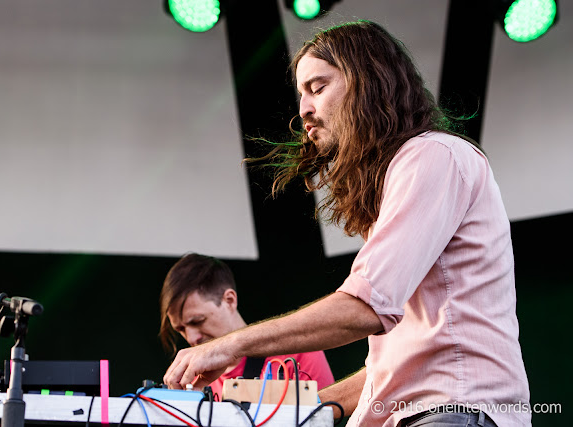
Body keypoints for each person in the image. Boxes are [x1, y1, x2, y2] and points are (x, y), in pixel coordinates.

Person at [163, 21, 530, 427]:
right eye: (301, 94)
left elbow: (364, 307)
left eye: (317, 88)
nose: (303, 109)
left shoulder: (434, 157)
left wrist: (231, 347)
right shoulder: (408, 180)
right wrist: (303, 408)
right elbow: (397, 368)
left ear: (367, 82)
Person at [159, 252, 335, 399]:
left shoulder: (298, 350)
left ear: (229, 300)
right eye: (180, 329)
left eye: (198, 321)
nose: (191, 338)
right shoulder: (193, 378)